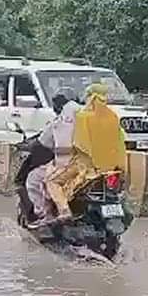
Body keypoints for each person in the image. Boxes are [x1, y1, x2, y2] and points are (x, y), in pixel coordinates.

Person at [44, 83, 127, 221]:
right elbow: (121, 144)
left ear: (91, 96)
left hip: (87, 168)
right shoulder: (113, 117)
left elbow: (80, 144)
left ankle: (64, 211)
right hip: (110, 169)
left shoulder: (83, 117)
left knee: (52, 182)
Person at [25, 88, 81, 223]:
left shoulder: (60, 122)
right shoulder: (89, 118)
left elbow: (43, 142)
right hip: (96, 166)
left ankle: (48, 214)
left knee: (37, 179)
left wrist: (27, 146)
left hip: (68, 164)